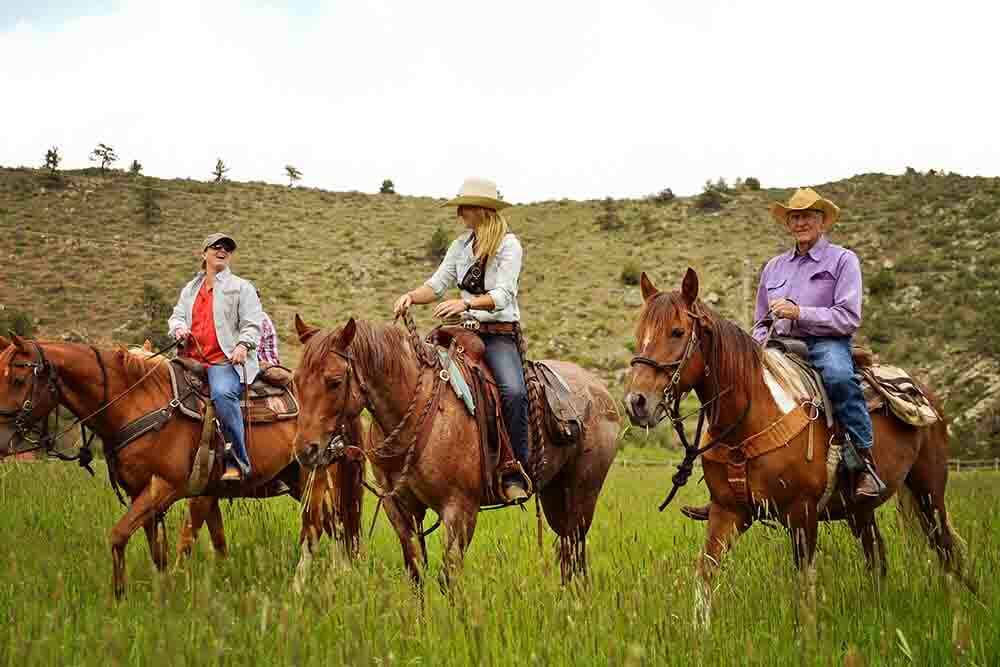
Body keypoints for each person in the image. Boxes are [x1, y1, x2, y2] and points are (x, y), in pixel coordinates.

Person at [682, 188, 880, 521]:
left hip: (825, 342)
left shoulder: (843, 260)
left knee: (839, 378)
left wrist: (799, 312)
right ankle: (725, 492)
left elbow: (848, 316)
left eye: (807, 216)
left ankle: (863, 464)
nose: (801, 222)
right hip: (778, 346)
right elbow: (761, 319)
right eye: (795, 217)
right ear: (789, 222)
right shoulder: (774, 268)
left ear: (822, 221)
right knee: (733, 390)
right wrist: (755, 349)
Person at [393, 178, 529, 503]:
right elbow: (437, 285)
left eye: (464, 207)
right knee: (426, 378)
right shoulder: (459, 247)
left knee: (513, 392)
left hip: (498, 335)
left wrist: (466, 303)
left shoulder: (509, 246)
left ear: (482, 210)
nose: (459, 214)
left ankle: (514, 470)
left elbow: (503, 295)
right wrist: (411, 296)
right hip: (464, 331)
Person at [168, 233, 263, 481]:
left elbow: (253, 324)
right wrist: (178, 328)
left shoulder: (243, 287)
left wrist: (243, 344)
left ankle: (238, 462)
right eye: (216, 247)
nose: (222, 250)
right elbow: (177, 315)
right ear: (204, 253)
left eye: (227, 248)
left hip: (224, 362)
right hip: (190, 359)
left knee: (222, 394)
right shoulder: (190, 289)